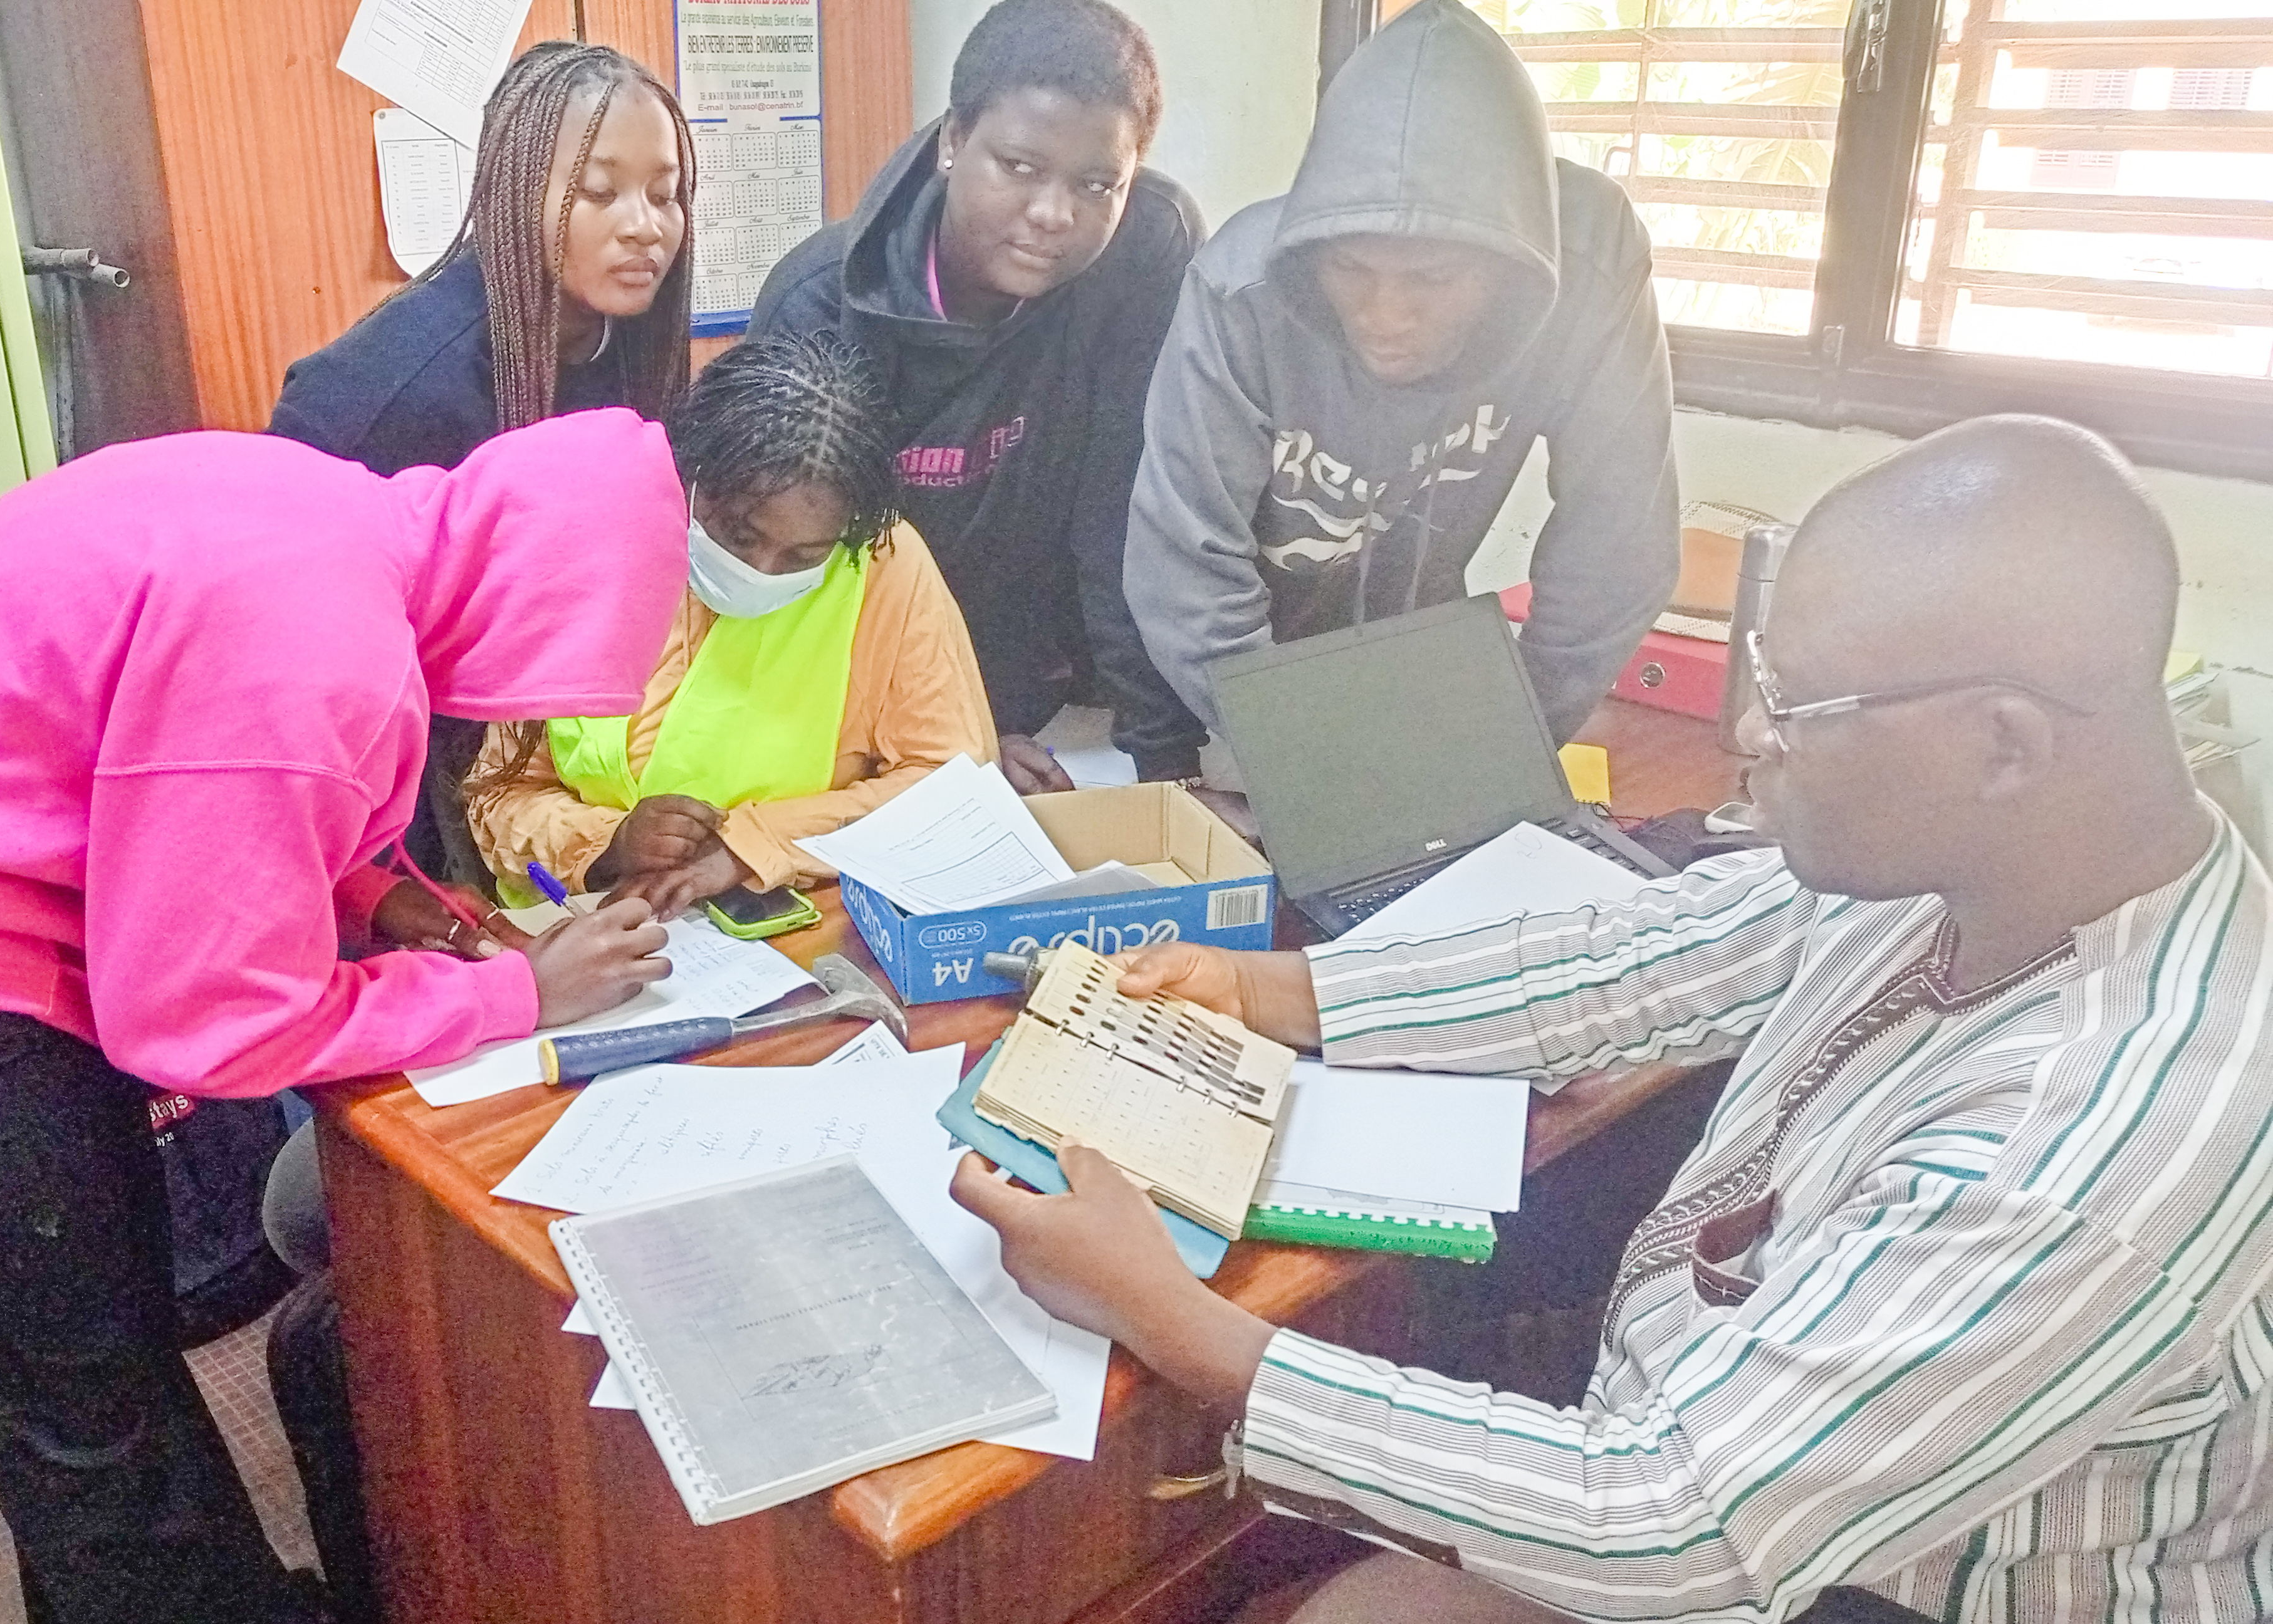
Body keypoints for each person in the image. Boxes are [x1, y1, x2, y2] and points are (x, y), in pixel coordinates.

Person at [959, 416, 2273, 1623]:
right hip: (1747, 1471)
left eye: (1798, 705)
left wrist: (1178, 1325)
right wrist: (1262, 990)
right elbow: (1637, 959)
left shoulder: (2095, 1145)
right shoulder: (1999, 864)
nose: (1749, 732)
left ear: (2005, 745)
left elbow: (1668, 1523)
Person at [0, 409, 689, 1624]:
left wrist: (382, 901)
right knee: (79, 1370)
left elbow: (191, 793)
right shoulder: (318, 648)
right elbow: (210, 1027)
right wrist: (514, 994)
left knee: (88, 1311)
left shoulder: (338, 516)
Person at [1124, 0, 1677, 747]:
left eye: (1433, 279)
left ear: (1508, 271)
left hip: (1420, 650)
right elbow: (1189, 568)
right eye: (1352, 271)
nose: (1386, 316)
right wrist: (1298, 757)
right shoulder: (1239, 295)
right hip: (1229, 674)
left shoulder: (1588, 271)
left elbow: (1616, 546)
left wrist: (1514, 739)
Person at [751, 0, 1205, 794]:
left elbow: (1123, 508)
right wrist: (947, 731)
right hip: (875, 709)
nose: (1053, 214)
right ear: (954, 140)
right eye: (1020, 167)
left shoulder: (1143, 253)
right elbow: (798, 579)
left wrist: (1171, 770)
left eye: (1098, 183)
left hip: (1062, 695)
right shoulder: (821, 305)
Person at [271, 39, 694, 887]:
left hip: (494, 749)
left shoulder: (623, 342)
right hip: (365, 751)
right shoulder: (397, 384)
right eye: (600, 192)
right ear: (514, 191)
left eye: (666, 193)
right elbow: (290, 624)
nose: (645, 225)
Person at [469, 331, 996, 919]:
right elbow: (499, 794)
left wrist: (749, 848)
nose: (761, 570)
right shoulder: (588, 546)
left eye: (804, 557)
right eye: (739, 535)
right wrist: (609, 844)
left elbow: (952, 788)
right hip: (575, 924)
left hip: (784, 926)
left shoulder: (880, 562)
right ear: (690, 479)